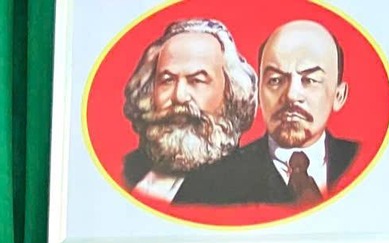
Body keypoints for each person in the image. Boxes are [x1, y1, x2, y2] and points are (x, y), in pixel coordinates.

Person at [175, 18, 361, 207]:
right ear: (259, 92)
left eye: (309, 80)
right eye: (275, 80)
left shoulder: (361, 163)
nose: (291, 95)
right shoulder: (207, 186)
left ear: (339, 95)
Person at [116, 17, 258, 204]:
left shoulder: (252, 187)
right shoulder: (126, 170)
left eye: (196, 80)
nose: (179, 96)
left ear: (230, 92)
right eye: (167, 80)